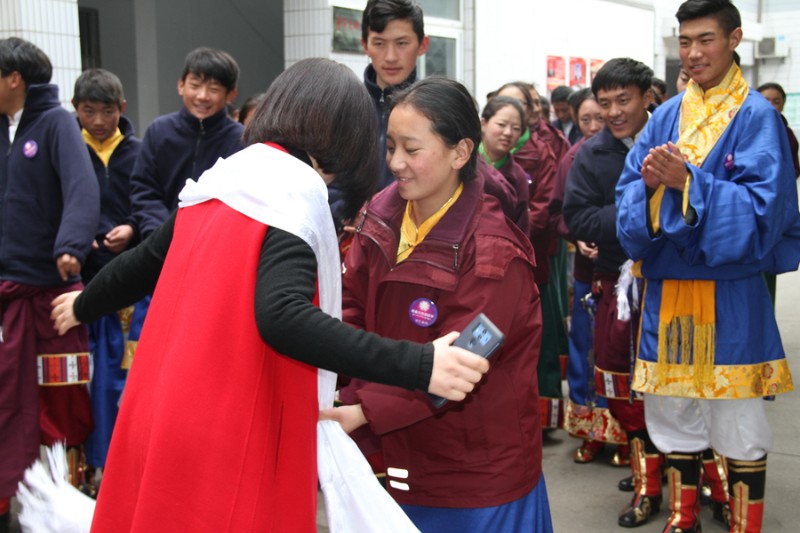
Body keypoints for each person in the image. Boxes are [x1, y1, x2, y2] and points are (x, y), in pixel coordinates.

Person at [49, 58, 490, 533]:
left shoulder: (227, 180)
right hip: (231, 422)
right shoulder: (288, 196)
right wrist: (419, 364)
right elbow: (282, 317)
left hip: (162, 410)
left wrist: (81, 304)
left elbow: (142, 264)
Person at [325, 77, 552, 532]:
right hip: (391, 454)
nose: (395, 163)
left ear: (461, 153)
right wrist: (343, 391)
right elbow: (350, 312)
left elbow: (467, 358)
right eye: (390, 146)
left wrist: (364, 410)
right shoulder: (379, 215)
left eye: (412, 149)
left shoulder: (494, 253)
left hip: (474, 471)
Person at [615, 1, 800, 531]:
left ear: (735, 38)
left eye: (706, 40)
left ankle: (745, 524)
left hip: (731, 295)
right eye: (685, 42)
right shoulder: (667, 115)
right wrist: (651, 186)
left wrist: (689, 183)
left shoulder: (758, 118)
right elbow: (628, 193)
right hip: (669, 289)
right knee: (671, 410)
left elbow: (770, 212)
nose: (694, 53)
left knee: (738, 413)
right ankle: (682, 514)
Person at [0, 37, 99, 530]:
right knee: (8, 403)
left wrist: (71, 244)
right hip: (7, 293)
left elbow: (82, 187)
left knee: (56, 403)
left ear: (13, 78)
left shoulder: (57, 122)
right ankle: (16, 504)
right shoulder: (4, 130)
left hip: (51, 293)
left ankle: (61, 506)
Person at [563, 57, 663, 528]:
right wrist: (638, 213)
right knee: (620, 384)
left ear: (648, 96)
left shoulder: (676, 138)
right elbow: (577, 218)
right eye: (605, 104)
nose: (615, 112)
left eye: (624, 100)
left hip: (675, 283)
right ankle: (649, 482)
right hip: (616, 283)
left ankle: (690, 476)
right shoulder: (591, 153)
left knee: (678, 388)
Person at [71, 68, 142, 480]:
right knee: (89, 380)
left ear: (122, 109)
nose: (98, 121)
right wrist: (79, 240)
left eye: (107, 111)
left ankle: (126, 462)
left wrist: (132, 228)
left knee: (126, 377)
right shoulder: (69, 149)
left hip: (130, 282)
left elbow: (150, 198)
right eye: (88, 111)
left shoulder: (137, 151)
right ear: (75, 110)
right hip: (83, 281)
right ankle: (90, 466)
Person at [551, 88, 629, 467]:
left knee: (622, 355)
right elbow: (558, 212)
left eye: (601, 117)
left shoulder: (632, 149)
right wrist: (577, 237)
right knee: (585, 352)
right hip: (588, 275)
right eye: (587, 120)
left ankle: (628, 433)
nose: (597, 124)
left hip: (627, 274)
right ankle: (589, 430)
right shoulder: (573, 156)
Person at [496, 81, 565, 432]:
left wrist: (505, 239)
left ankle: (540, 415)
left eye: (521, 108)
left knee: (536, 340)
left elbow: (543, 209)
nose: (508, 128)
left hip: (531, 258)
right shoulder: (471, 153)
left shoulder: (541, 151)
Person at [130, 46, 243, 239]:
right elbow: (144, 190)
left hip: (216, 242)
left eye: (214, 89)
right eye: (195, 85)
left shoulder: (241, 140)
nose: (202, 96)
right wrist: (160, 236)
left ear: (230, 95)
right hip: (158, 243)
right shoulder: (159, 131)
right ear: (181, 85)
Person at [479, 95, 530, 234]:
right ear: (483, 123)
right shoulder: (463, 159)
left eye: (516, 128)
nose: (508, 133)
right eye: (501, 125)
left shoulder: (518, 176)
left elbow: (520, 227)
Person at [756, 82, 799, 178]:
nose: (770, 106)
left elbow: (795, 169)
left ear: (783, 105)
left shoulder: (787, 134)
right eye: (765, 100)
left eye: (776, 102)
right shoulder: (742, 129)